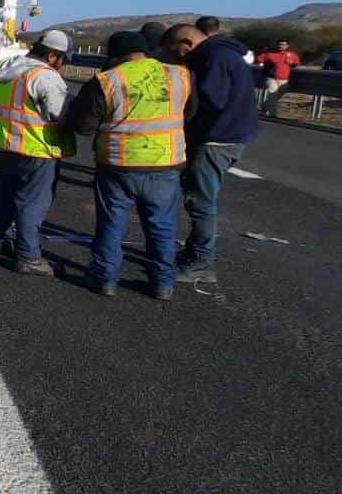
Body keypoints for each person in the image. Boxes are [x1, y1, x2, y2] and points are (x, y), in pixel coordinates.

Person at [65, 31, 196, 299]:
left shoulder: (107, 80)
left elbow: (84, 127)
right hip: (165, 162)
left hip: (118, 164)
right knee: (161, 226)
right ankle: (162, 284)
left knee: (112, 223)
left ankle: (105, 279)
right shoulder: (180, 75)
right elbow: (190, 111)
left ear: (114, 55)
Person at [163, 23, 258, 283]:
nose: (178, 58)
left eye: (177, 52)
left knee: (201, 202)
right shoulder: (225, 53)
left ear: (187, 42)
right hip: (232, 134)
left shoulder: (212, 58)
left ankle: (201, 263)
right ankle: (194, 252)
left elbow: (208, 101)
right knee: (202, 198)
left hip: (217, 138)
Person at [0, 29, 78, 276]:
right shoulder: (45, 77)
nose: (64, 65)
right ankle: (28, 256)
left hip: (7, 145)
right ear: (51, 55)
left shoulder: (9, 68)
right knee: (31, 203)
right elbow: (59, 114)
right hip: (36, 148)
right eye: (63, 59)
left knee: (5, 195)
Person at [255, 39, 302, 115]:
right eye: (279, 44)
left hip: (284, 79)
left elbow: (296, 63)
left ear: (287, 46)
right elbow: (258, 59)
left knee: (277, 95)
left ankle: (265, 105)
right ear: (277, 45)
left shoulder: (291, 54)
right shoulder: (269, 53)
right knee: (273, 94)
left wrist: (292, 62)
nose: (281, 46)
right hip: (271, 78)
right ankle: (272, 114)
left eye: (283, 44)